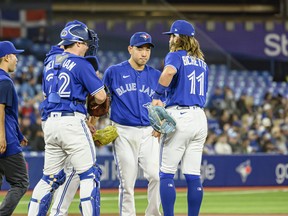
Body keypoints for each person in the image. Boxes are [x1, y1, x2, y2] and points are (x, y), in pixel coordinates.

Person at [28, 20, 106, 216]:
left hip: (50, 124)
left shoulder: (50, 62)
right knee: (90, 175)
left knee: (49, 178)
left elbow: (57, 50)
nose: (88, 46)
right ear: (78, 43)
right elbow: (101, 97)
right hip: (71, 121)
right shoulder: (81, 64)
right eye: (86, 42)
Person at [151, 20, 209, 216]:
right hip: (200, 117)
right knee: (193, 174)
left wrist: (158, 96)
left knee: (166, 173)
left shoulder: (176, 56)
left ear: (178, 37)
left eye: (172, 35)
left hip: (180, 115)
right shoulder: (202, 63)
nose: (170, 39)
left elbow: (168, 72)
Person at [103, 32, 162, 216]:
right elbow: (100, 101)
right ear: (130, 49)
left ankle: (153, 213)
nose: (144, 53)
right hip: (123, 132)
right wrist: (93, 121)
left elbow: (162, 104)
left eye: (147, 49)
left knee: (156, 176)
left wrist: (159, 125)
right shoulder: (113, 72)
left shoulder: (156, 75)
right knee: (127, 182)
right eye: (140, 49)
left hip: (149, 132)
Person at [0, 41, 29, 215]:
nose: (17, 59)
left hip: (9, 135)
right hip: (5, 141)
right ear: (6, 57)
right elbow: (1, 110)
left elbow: (9, 114)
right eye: (14, 55)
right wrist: (2, 137)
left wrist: (19, 134)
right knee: (21, 182)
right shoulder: (4, 81)